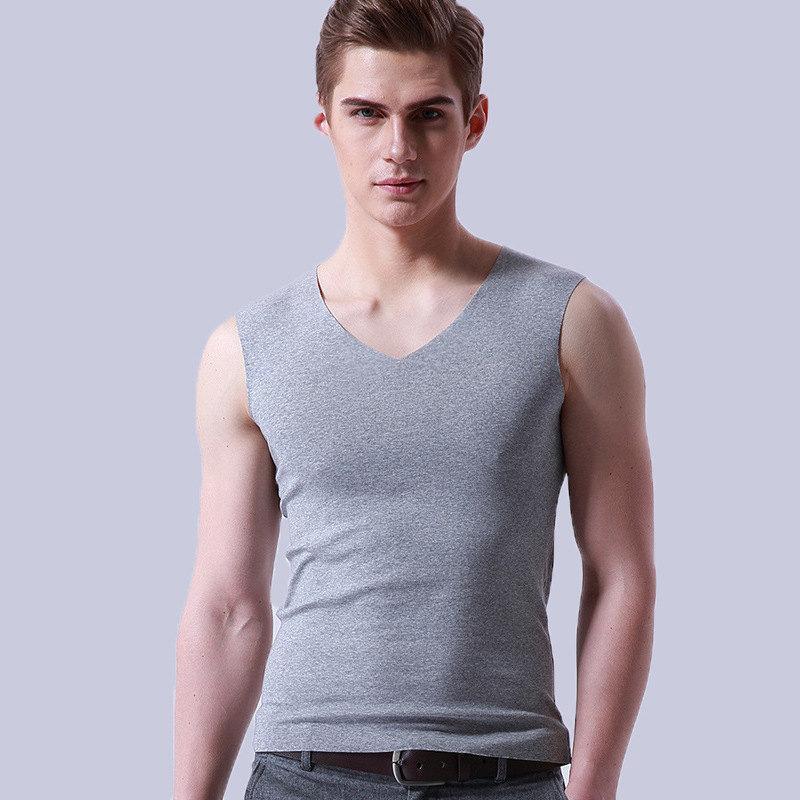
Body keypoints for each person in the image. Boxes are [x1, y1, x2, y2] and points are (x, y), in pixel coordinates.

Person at [173, 1, 655, 798]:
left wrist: (594, 790)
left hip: (504, 774)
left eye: (428, 114)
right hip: (302, 778)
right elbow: (228, 606)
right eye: (367, 113)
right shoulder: (248, 348)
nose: (398, 148)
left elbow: (620, 576)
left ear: (474, 122)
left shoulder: (573, 321)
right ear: (326, 122)